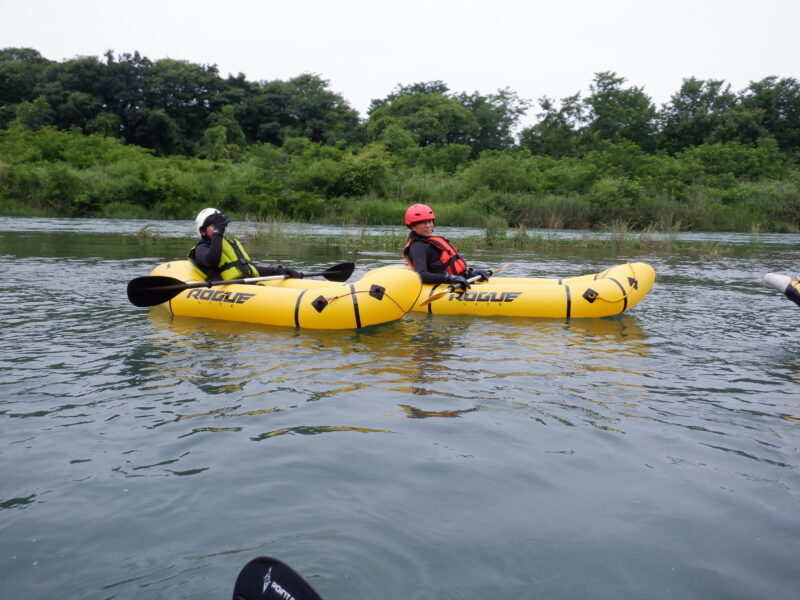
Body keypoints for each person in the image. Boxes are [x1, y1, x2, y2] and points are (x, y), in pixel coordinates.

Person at [189, 208, 302, 281]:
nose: (221, 229)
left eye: (221, 225)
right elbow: (212, 260)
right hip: (228, 292)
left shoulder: (230, 245)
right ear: (202, 231)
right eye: (215, 226)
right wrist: (217, 233)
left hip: (246, 286)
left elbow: (251, 269)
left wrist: (279, 270)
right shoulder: (201, 249)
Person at [402, 203, 492, 290]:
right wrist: (450, 278)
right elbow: (422, 275)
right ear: (413, 226)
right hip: (447, 284)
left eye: (429, 221)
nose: (428, 226)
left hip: (459, 279)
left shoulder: (428, 242)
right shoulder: (418, 247)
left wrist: (471, 273)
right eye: (423, 223)